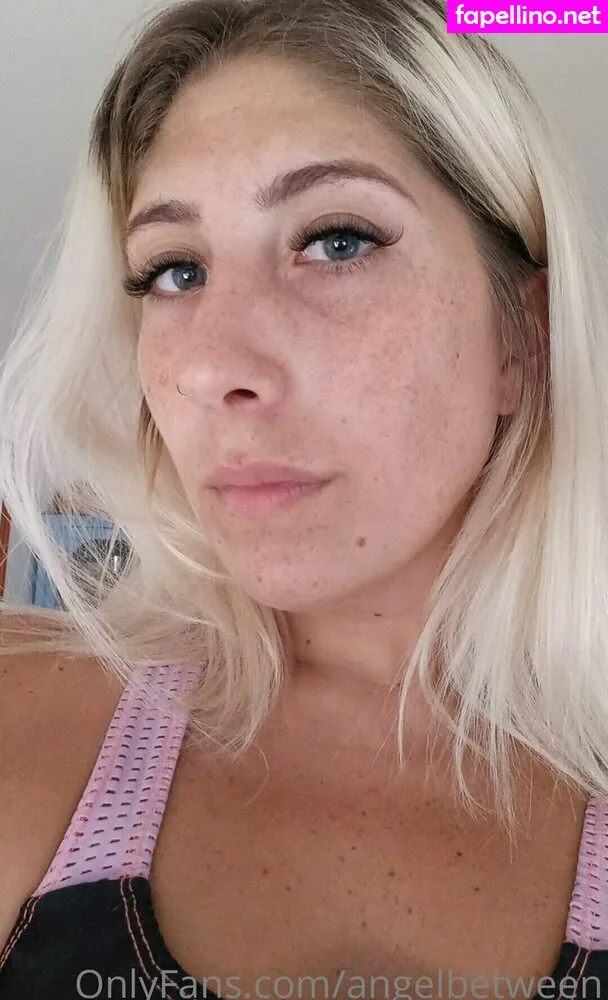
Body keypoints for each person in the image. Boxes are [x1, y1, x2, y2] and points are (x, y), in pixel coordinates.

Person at [0, 0, 607, 997]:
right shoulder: (24, 717)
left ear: (522, 339)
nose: (210, 367)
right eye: (174, 270)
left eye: (335, 241)